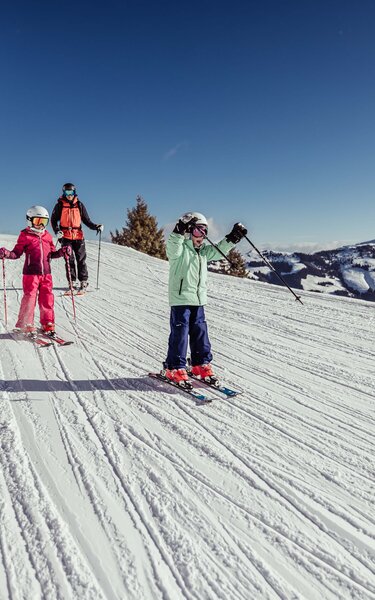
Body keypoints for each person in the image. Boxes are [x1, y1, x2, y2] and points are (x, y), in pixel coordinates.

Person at [163, 212, 247, 387]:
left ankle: (200, 364)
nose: (201, 236)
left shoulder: (203, 253)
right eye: (198, 231)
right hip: (180, 299)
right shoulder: (180, 250)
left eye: (205, 231)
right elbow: (172, 245)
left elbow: (220, 250)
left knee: (200, 332)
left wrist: (232, 238)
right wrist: (179, 230)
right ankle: (175, 367)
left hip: (198, 300)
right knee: (180, 334)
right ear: (189, 231)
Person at [0, 205, 71, 335]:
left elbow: (52, 254)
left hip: (46, 274)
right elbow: (16, 253)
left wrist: (62, 252)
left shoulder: (47, 236)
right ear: (30, 220)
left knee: (47, 299)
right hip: (30, 274)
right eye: (38, 221)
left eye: (43, 222)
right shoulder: (25, 235)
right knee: (30, 298)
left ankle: (47, 323)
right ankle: (25, 323)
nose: (40, 225)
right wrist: (7, 254)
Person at [51, 183, 103, 292]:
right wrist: (57, 231)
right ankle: (72, 281)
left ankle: (83, 281)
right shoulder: (60, 205)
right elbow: (53, 220)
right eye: (67, 192)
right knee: (69, 259)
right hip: (65, 236)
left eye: (71, 192)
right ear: (64, 193)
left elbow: (86, 220)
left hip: (78, 236)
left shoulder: (79, 205)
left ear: (74, 192)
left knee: (81, 259)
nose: (69, 195)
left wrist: (96, 227)